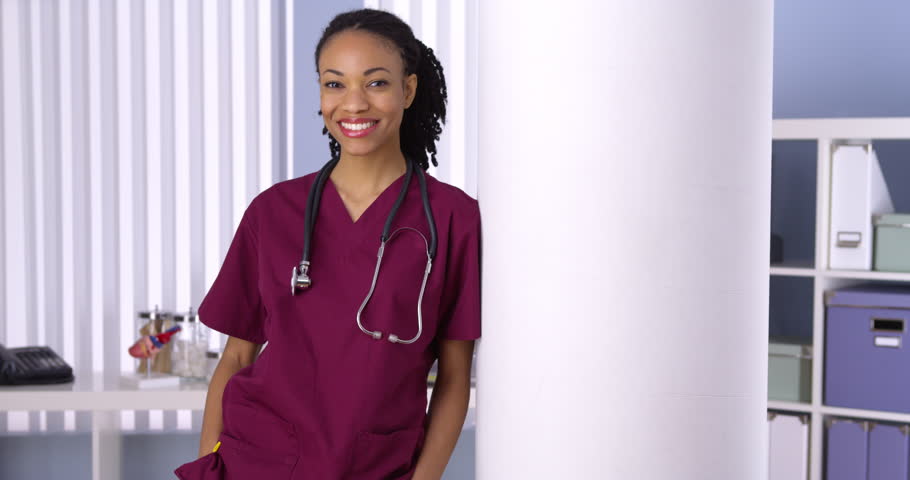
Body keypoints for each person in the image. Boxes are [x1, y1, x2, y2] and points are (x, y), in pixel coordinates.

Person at [174, 8, 481, 480]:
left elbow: (455, 377)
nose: (353, 104)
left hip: (377, 466)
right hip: (255, 462)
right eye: (334, 84)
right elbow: (237, 357)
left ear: (409, 90)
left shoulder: (453, 219)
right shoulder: (273, 212)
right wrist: (206, 467)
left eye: (376, 83)